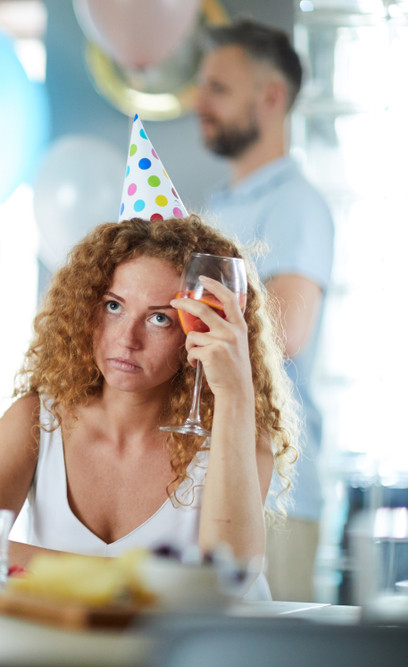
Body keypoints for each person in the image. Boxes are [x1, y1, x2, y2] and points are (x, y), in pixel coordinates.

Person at [0, 215, 297, 600]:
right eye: (113, 306)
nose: (127, 339)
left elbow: (228, 579)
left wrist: (235, 394)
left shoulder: (236, 429)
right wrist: (141, 576)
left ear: (201, 329)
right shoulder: (36, 420)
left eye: (160, 318)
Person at [195, 19, 335, 602]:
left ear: (271, 97)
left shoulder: (295, 204)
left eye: (218, 90)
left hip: (275, 489)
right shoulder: (219, 206)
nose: (199, 103)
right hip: (212, 480)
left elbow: (288, 331)